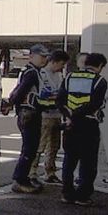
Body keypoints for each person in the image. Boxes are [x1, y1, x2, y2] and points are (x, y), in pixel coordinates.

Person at [58, 52, 108, 205]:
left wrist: (69, 115)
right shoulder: (100, 80)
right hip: (88, 124)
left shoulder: (69, 77)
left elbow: (60, 100)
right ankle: (83, 196)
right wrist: (78, 114)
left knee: (69, 160)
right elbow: (95, 104)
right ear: (100, 66)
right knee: (88, 162)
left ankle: (67, 193)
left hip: (70, 125)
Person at [4, 44, 51, 194]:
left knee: (29, 148)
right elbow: (21, 91)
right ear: (32, 56)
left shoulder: (31, 71)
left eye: (45, 57)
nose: (44, 59)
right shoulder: (31, 73)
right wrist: (11, 104)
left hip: (27, 113)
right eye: (41, 56)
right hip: (29, 114)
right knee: (29, 149)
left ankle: (22, 179)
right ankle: (20, 180)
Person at [75, 52, 108, 187]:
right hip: (87, 118)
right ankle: (82, 180)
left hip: (78, 119)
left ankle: (101, 175)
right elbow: (102, 99)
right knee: (84, 150)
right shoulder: (95, 80)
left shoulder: (75, 78)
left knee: (95, 149)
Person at [30, 50, 69, 185]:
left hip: (57, 114)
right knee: (40, 145)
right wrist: (56, 95)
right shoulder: (41, 74)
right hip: (44, 114)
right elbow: (44, 93)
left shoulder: (59, 76)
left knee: (54, 145)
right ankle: (32, 172)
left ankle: (50, 171)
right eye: (62, 64)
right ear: (55, 62)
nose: (62, 67)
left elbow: (62, 93)